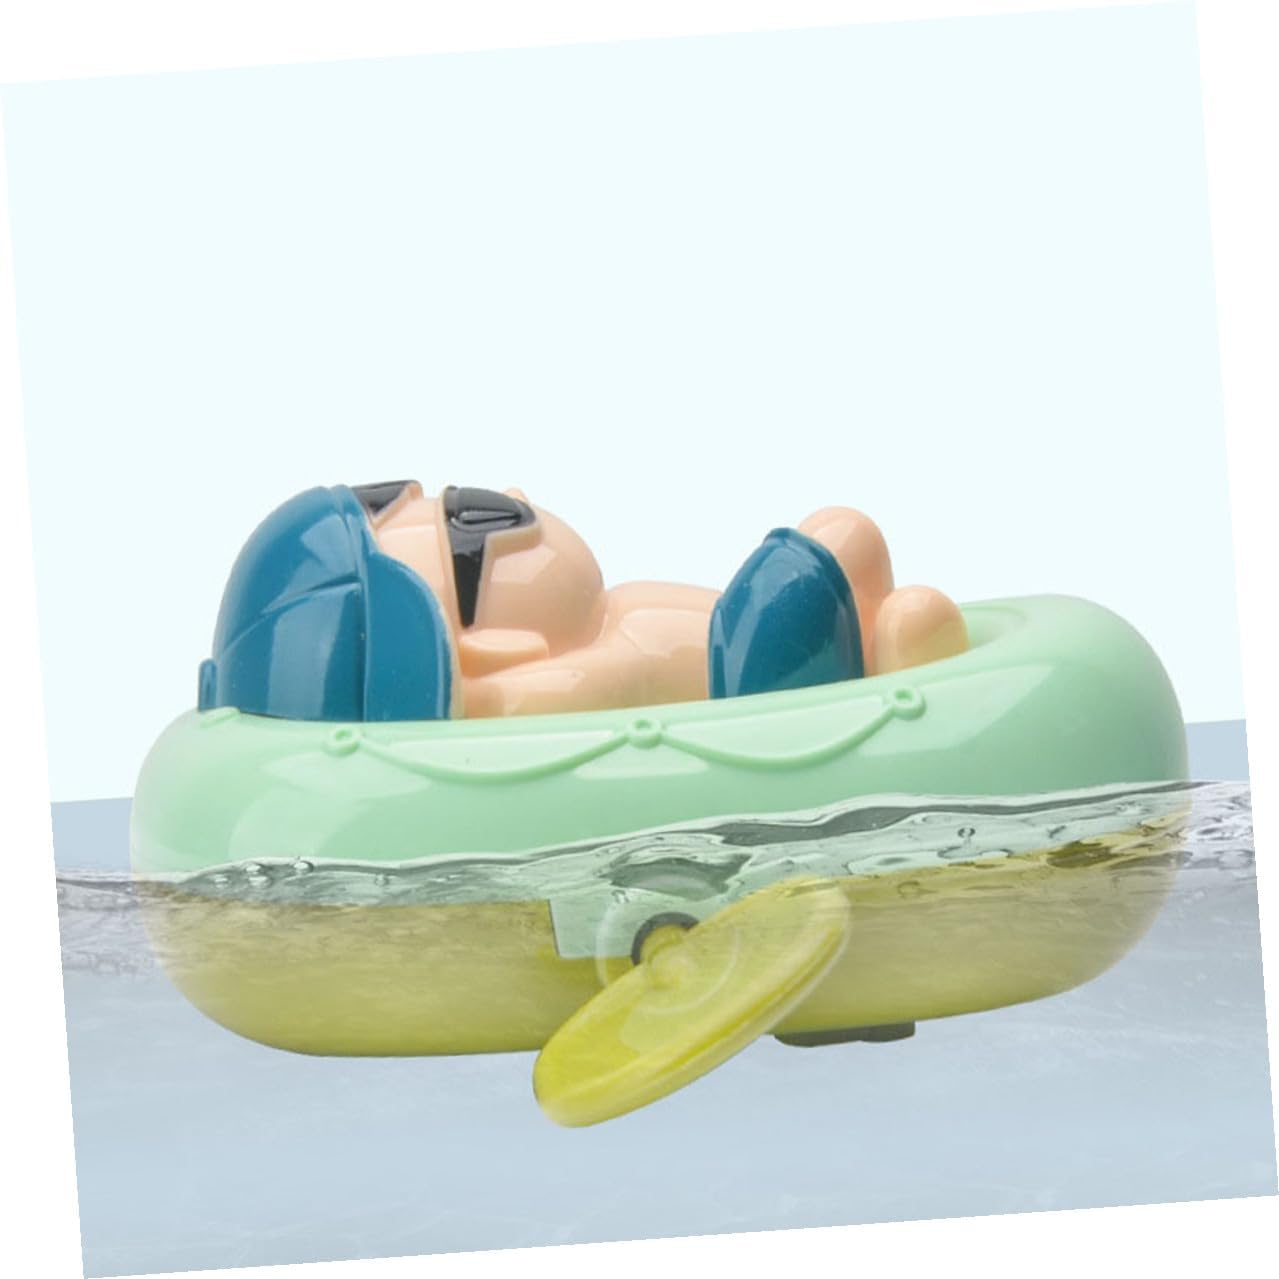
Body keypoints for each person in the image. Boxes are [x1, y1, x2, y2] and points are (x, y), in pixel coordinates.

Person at [362, 481, 968, 719]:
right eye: (481, 524)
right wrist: (467, 690)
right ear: (489, 643)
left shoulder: (593, 627)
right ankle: (895, 666)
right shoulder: (545, 683)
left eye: (471, 500)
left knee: (855, 542)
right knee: (843, 534)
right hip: (751, 676)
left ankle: (886, 658)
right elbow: (506, 702)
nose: (513, 498)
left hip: (746, 640)